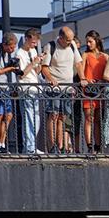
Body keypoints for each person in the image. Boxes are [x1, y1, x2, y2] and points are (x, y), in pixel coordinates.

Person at [41, 26, 83, 154]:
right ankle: (52, 145)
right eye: (67, 40)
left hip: (68, 87)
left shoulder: (72, 46)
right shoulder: (50, 46)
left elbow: (78, 63)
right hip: (54, 88)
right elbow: (44, 67)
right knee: (53, 115)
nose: (70, 42)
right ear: (61, 38)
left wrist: (83, 78)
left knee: (64, 116)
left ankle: (61, 145)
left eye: (71, 40)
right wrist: (51, 78)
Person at [15, 28, 44, 155]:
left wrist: (40, 63)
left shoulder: (33, 51)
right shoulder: (19, 54)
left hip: (35, 88)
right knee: (29, 118)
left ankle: (32, 145)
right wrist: (33, 63)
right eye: (33, 43)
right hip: (25, 88)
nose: (34, 45)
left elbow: (36, 72)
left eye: (36, 43)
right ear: (27, 39)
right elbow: (21, 74)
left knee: (36, 118)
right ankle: (29, 147)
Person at [79, 30, 108, 153]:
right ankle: (90, 145)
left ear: (96, 41)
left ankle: (98, 145)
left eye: (90, 41)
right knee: (89, 117)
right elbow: (79, 67)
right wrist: (83, 79)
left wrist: (102, 81)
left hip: (100, 89)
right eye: (87, 42)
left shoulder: (105, 56)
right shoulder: (85, 55)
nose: (89, 44)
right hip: (89, 89)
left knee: (97, 119)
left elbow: (107, 73)